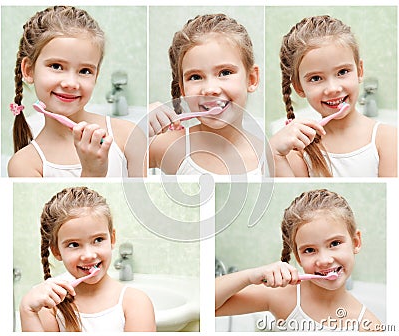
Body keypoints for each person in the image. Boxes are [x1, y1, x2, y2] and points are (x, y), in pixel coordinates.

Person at [215, 189, 381, 332]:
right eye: (309, 250)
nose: (324, 260)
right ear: (298, 257)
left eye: (335, 243)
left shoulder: (369, 326)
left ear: (356, 242)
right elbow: (208, 304)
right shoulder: (285, 297)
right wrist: (250, 276)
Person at [8, 6, 146, 177]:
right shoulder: (24, 165)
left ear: (96, 76)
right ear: (28, 70)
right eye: (56, 66)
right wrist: (92, 172)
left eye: (85, 71)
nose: (71, 83)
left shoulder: (129, 135)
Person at [269, 15, 397, 177]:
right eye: (316, 78)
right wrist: (274, 153)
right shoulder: (299, 149)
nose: (332, 88)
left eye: (342, 72)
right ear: (299, 87)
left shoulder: (388, 139)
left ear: (360, 71)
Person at [19, 186, 156, 332]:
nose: (89, 255)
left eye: (98, 240)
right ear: (56, 251)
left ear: (112, 239)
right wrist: (26, 311)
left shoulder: (136, 303)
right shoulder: (50, 307)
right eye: (74, 244)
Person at [149, 13, 264, 175]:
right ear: (182, 89)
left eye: (225, 72)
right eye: (195, 77)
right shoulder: (168, 147)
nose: (210, 89)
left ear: (251, 79)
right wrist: (140, 130)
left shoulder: (268, 156)